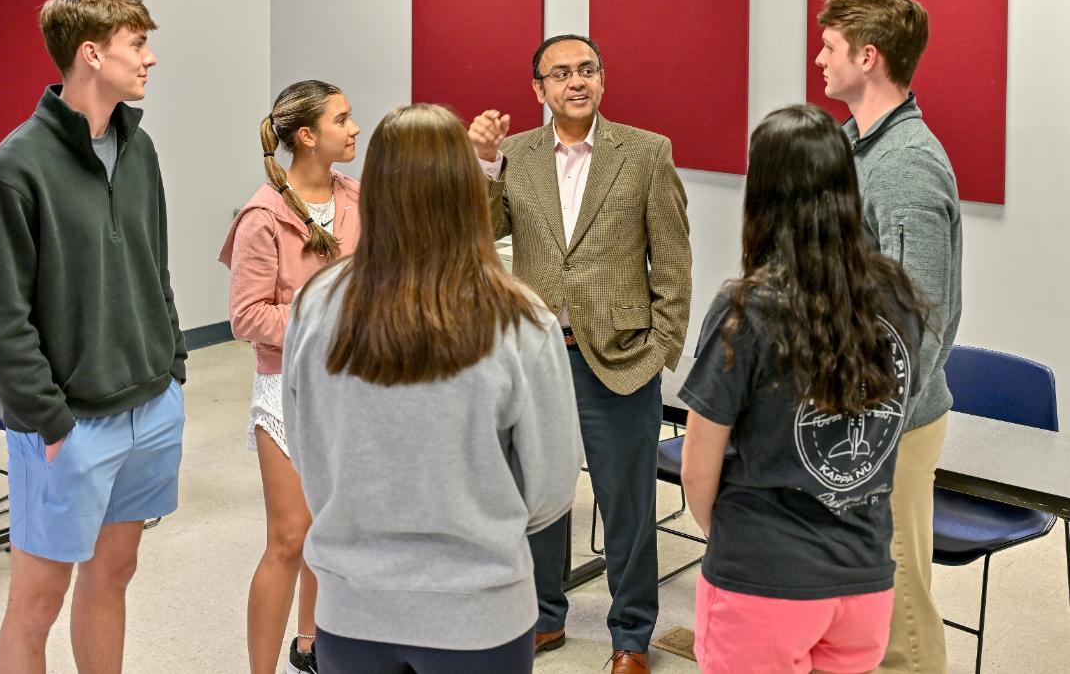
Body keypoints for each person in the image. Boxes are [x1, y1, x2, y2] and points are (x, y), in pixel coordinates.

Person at [282, 103, 583, 674]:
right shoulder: (521, 319)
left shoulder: (315, 304)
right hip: (480, 610)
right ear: (468, 191)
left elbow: (306, 447)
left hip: (351, 606)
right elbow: (551, 487)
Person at [0, 0, 185, 674]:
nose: (149, 59)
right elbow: (0, 319)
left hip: (150, 403)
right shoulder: (11, 171)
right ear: (91, 54)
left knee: (113, 574)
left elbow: (156, 267)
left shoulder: (138, 149)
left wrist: (172, 364)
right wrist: (48, 421)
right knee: (36, 603)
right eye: (137, 45)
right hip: (69, 426)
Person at [468, 34, 692, 673]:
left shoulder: (646, 153)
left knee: (627, 504)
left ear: (602, 79)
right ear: (538, 90)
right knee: (539, 495)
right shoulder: (514, 155)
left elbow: (672, 259)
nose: (576, 82)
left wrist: (662, 348)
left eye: (587, 70)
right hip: (537, 355)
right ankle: (543, 616)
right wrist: (483, 164)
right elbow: (483, 235)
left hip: (621, 357)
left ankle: (630, 634)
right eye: (560, 74)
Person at [680, 104, 928, 673]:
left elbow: (697, 467)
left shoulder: (748, 307)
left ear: (763, 191)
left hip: (764, 578)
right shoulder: (899, 297)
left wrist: (737, 539)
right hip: (864, 580)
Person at [816, 0, 963, 673]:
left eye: (831, 47)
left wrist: (867, 420)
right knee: (864, 596)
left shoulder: (903, 163)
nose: (819, 58)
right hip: (856, 415)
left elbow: (918, 318)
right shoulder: (855, 146)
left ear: (866, 57)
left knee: (900, 603)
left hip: (889, 423)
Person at [218, 80, 361, 674]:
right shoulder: (263, 216)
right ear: (307, 136)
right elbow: (247, 316)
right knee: (289, 539)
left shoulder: (357, 198)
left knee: (328, 535)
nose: (355, 129)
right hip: (287, 390)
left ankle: (311, 645)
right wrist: (329, 317)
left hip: (350, 388)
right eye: (343, 119)